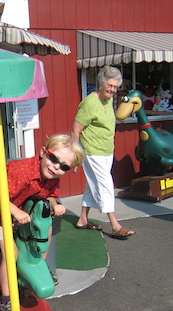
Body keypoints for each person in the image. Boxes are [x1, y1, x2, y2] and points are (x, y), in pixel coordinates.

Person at [0, 134, 84, 311]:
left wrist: (55, 204)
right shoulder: (20, 172)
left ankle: (37, 267)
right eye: (53, 159)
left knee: (47, 231)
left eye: (64, 167)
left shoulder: (52, 176)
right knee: (10, 254)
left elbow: (51, 195)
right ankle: (6, 300)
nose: (56, 167)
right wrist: (14, 211)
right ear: (43, 152)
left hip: (23, 210)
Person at [71, 65, 135, 239]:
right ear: (101, 84)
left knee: (92, 184)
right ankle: (115, 225)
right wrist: (76, 157)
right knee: (106, 185)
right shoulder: (90, 103)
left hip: (106, 151)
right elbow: (75, 130)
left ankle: (83, 219)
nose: (113, 90)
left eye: (115, 87)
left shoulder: (108, 101)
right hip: (92, 151)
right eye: (110, 86)